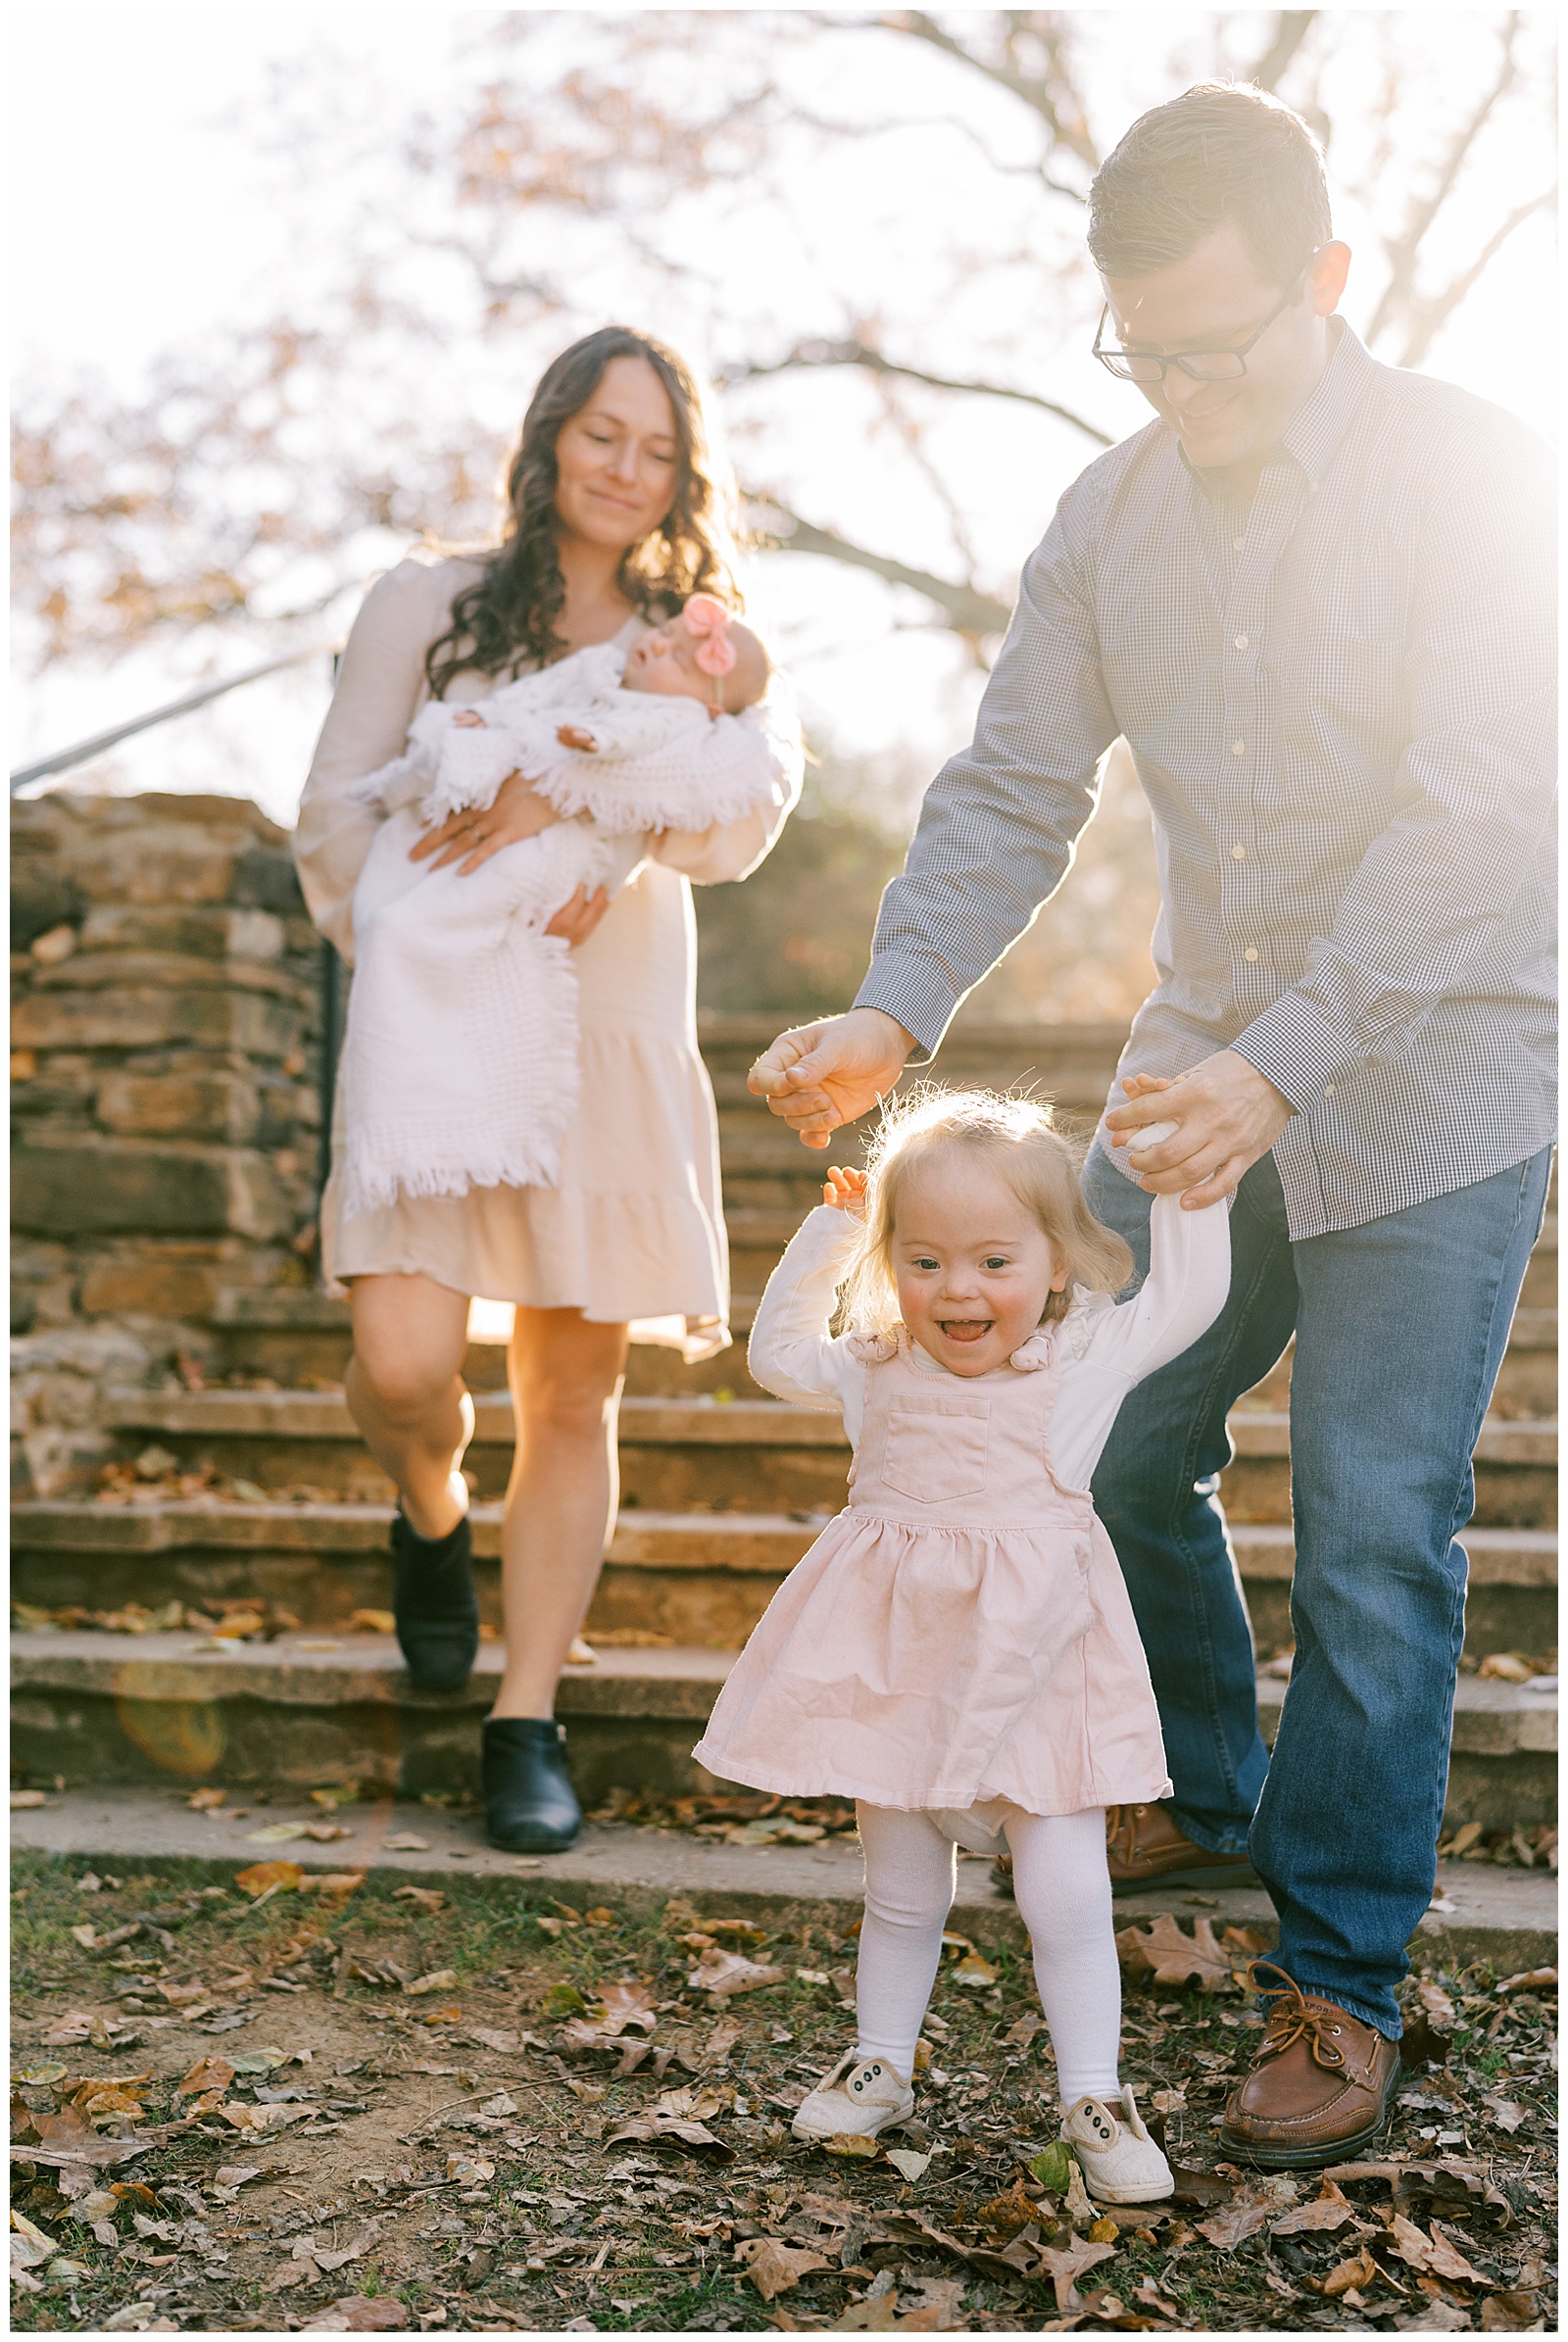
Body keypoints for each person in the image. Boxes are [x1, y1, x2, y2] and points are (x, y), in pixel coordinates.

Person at [750, 82, 1554, 2169]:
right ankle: (1207, 1796)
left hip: (1435, 1062)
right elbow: (1017, 783)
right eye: (1142, 351)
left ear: (1324, 279)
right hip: (1196, 1061)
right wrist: (891, 998)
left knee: (1370, 1534)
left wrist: (1283, 1057)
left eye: (1216, 345)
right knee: (1087, 1437)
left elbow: (1482, 808)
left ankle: (1337, 1979)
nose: (1178, 388)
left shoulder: (1473, 480)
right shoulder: (1104, 518)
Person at [295, 326, 803, 1855]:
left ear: (684, 470)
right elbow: (333, 809)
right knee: (399, 1363)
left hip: (609, 1001)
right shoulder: (425, 599)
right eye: (601, 434)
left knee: (573, 1383)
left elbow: (748, 805)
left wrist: (589, 815)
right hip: (440, 1008)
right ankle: (433, 1516)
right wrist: (433, 921)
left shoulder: (699, 634)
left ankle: (527, 1715)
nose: (623, 468)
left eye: (656, 447)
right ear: (549, 434)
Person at [694, 1089, 1230, 2201]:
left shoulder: (1075, 1365)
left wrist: (1192, 1190)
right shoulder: (874, 1359)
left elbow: (1190, 1298)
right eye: (925, 1259)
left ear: (1053, 1263)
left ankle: (1095, 2090)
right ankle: (880, 2060)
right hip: (900, 1666)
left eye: (993, 1258)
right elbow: (775, 1354)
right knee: (899, 1887)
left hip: (1042, 1667)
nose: (959, 1288)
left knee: (1067, 1887)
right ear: (894, 1264)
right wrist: (832, 1235)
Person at [339, 602, 777, 1216]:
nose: (656, 646)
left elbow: (639, 747)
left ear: (709, 703)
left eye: (680, 654)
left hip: (577, 854)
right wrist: (486, 722)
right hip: (523, 775)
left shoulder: (678, 720)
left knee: (505, 883)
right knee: (413, 914)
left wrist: (579, 761)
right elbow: (534, 695)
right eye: (665, 634)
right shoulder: (599, 669)